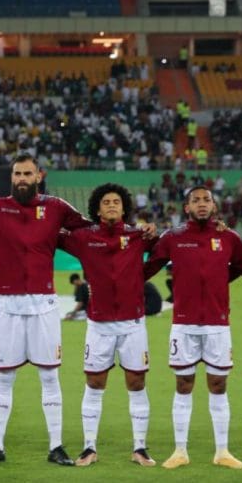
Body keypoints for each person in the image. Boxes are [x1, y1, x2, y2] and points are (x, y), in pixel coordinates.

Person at [0, 154, 113, 466]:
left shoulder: (57, 208)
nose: (21, 178)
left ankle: (56, 446)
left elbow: (91, 229)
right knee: (4, 377)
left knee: (50, 375)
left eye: (27, 173)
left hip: (43, 304)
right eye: (17, 173)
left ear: (39, 175)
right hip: (7, 304)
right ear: (13, 177)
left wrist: (131, 231)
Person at [144, 186, 242, 470]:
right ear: (187, 207)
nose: (202, 204)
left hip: (218, 325)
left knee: (218, 385)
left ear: (214, 206)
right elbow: (149, 266)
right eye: (196, 200)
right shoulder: (174, 237)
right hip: (183, 323)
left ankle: (222, 451)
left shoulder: (228, 237)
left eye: (207, 200)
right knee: (183, 384)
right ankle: (180, 451)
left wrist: (219, 281)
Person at [58, 183, 157, 467]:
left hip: (133, 323)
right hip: (99, 324)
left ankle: (140, 447)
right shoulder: (83, 238)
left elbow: (166, 247)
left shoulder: (139, 236)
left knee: (137, 382)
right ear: (97, 209)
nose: (111, 205)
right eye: (106, 202)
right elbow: (49, 236)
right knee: (94, 383)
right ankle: (89, 447)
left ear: (124, 207)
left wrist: (140, 275)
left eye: (116, 201)